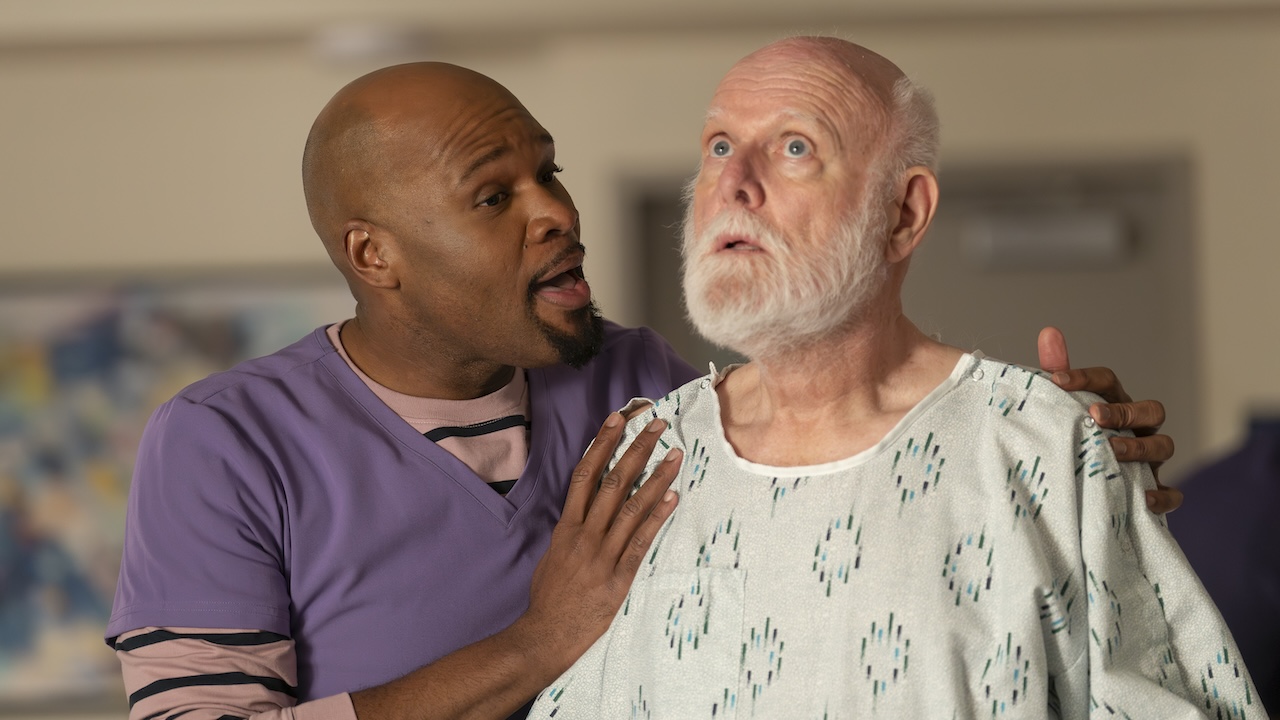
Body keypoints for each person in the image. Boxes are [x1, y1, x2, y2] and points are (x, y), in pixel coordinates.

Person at [106, 61, 1179, 720]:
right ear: (374, 255)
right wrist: (535, 643)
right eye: (493, 197)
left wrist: (1038, 458)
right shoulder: (225, 445)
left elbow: (850, 493)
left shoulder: (643, 387)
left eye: (547, 171)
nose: (554, 212)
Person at [527, 37, 1260, 719]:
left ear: (904, 213)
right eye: (720, 146)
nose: (734, 183)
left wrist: (1073, 451)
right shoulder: (645, 457)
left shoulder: (1036, 447)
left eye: (794, 147)